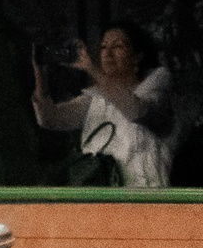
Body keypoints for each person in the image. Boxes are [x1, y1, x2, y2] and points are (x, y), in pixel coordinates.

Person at [33, 23, 175, 188]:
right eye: (103, 47)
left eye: (117, 47)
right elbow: (49, 119)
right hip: (103, 202)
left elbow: (136, 110)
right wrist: (40, 72)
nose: (107, 54)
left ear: (137, 56)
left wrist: (91, 68)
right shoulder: (95, 99)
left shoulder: (156, 86)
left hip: (145, 201)